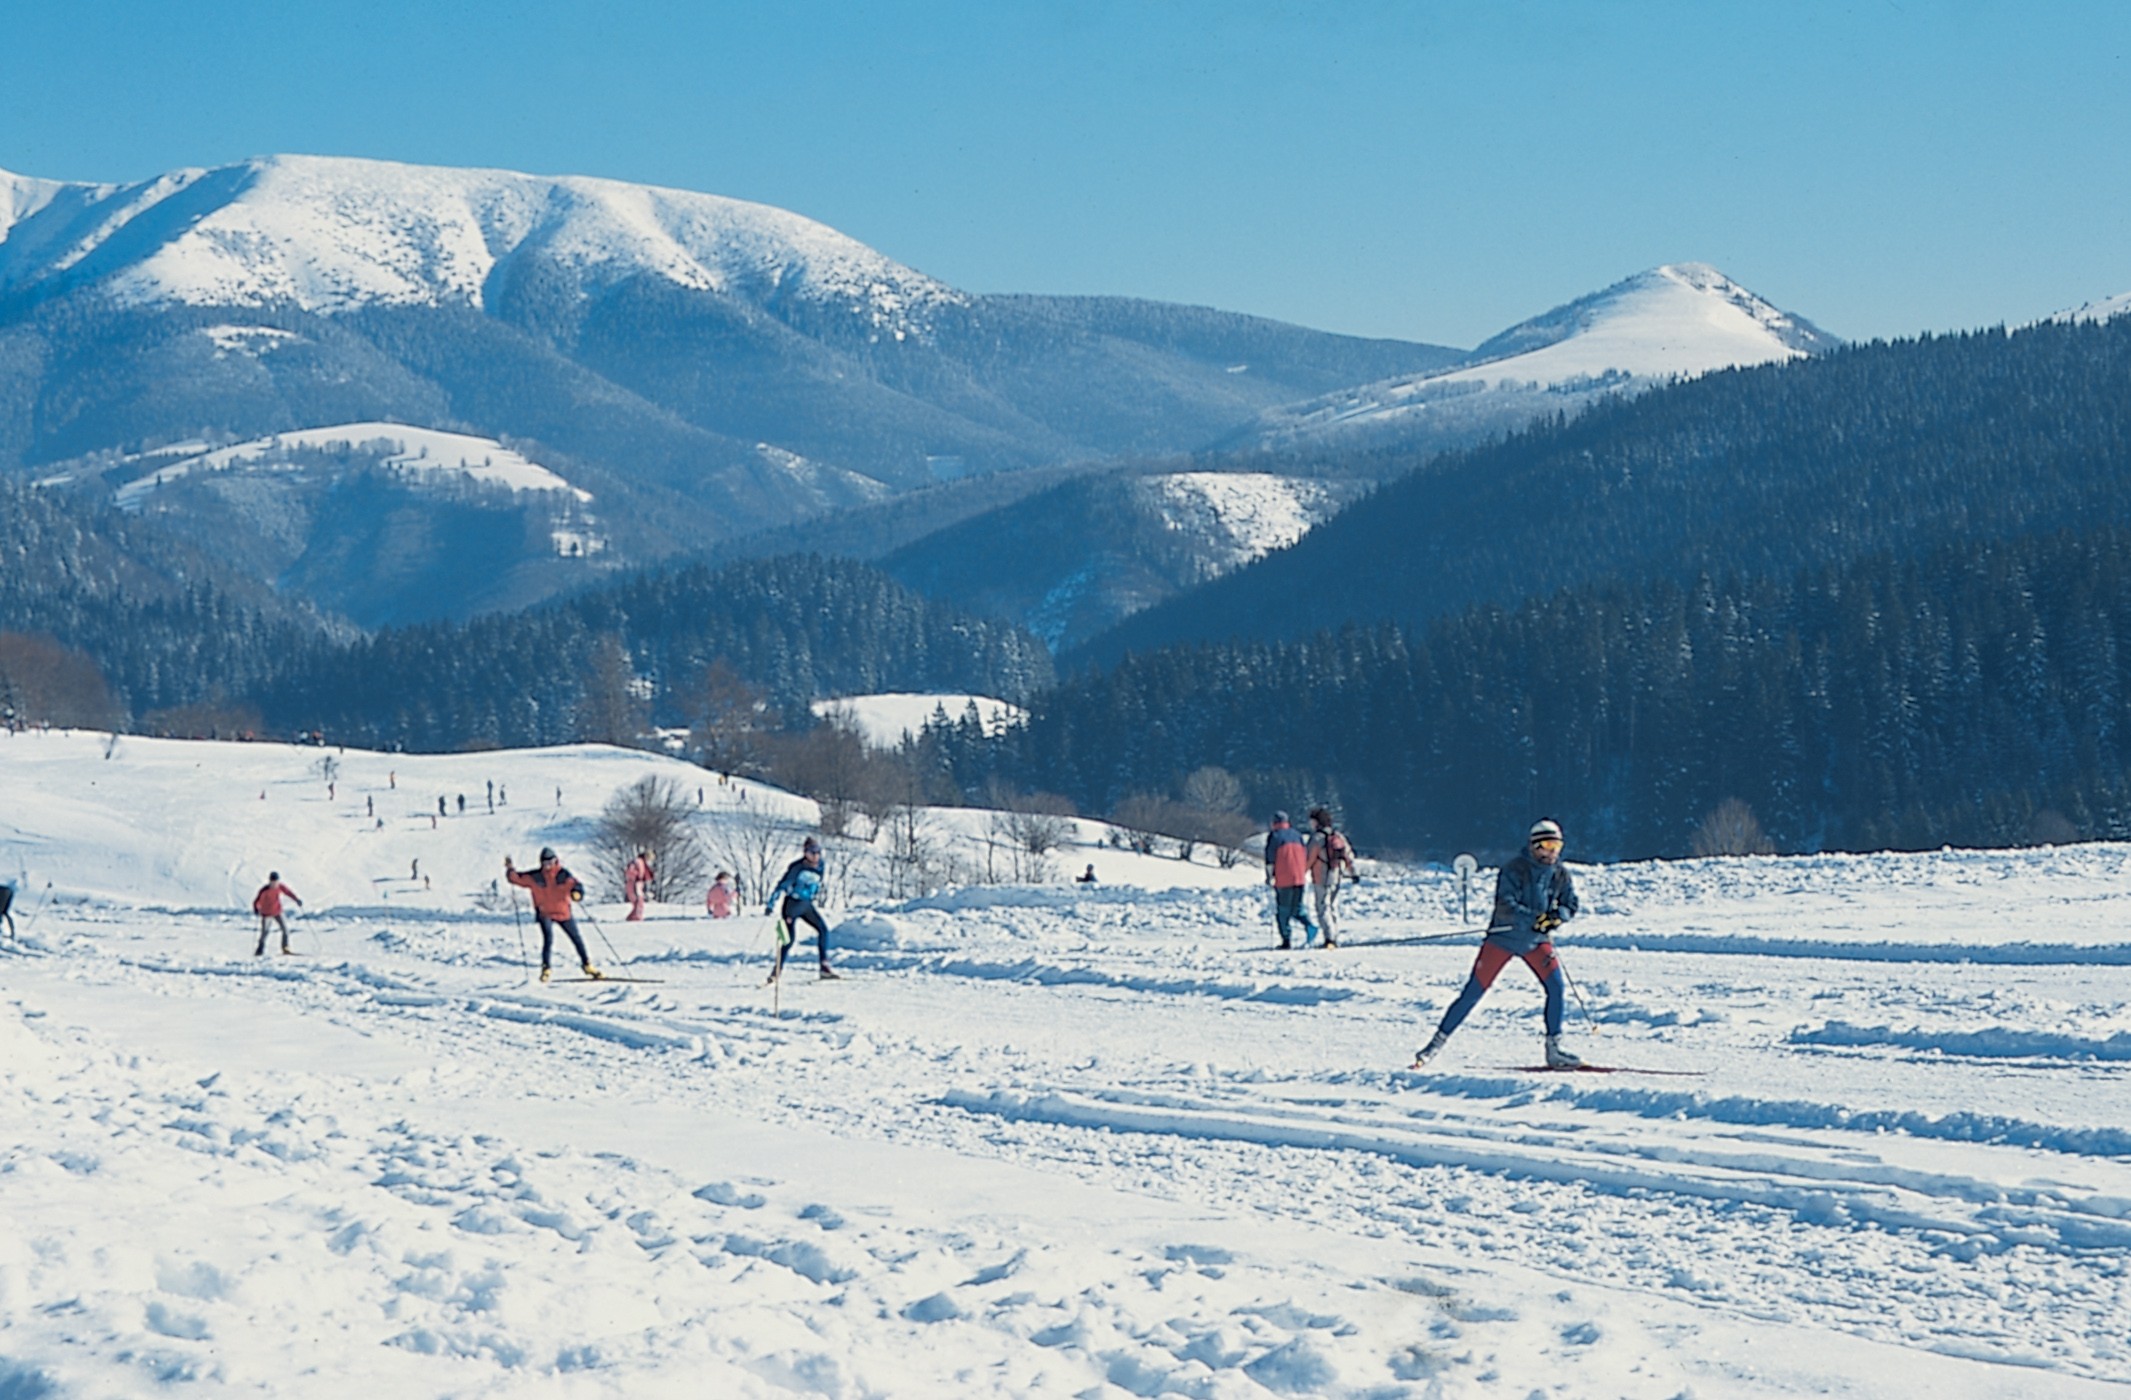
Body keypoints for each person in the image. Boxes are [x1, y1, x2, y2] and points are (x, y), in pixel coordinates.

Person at [1413, 819, 1583, 1069]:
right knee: (1473, 993)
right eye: (1547, 845)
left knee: (1556, 988)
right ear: (1535, 846)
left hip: (1536, 941)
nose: (1552, 851)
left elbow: (1571, 903)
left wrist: (1556, 918)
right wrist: (1536, 919)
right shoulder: (1514, 869)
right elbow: (1506, 904)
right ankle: (1432, 1047)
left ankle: (1554, 1049)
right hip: (1503, 939)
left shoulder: (1559, 873)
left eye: (1557, 845)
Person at [505, 847, 601, 982]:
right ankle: (546, 969)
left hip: (563, 912)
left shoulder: (563, 875)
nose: (548, 866)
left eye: (550, 862)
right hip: (545, 913)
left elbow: (576, 885)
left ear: (556, 861)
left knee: (577, 939)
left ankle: (587, 965)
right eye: (545, 863)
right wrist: (510, 869)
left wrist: (577, 894)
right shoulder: (536, 876)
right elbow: (516, 879)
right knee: (548, 939)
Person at [766, 837, 837, 981]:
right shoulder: (797, 867)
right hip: (792, 905)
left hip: (806, 905)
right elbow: (782, 885)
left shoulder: (821, 866)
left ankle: (824, 967)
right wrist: (771, 904)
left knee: (823, 929)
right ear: (805, 853)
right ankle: (776, 972)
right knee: (789, 940)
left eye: (818, 852)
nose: (816, 855)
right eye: (812, 852)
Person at [1306, 807, 1360, 948]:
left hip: (1320, 877)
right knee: (1333, 906)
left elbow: (1308, 859)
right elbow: (1348, 856)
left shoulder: (1316, 839)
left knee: (1322, 907)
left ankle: (1329, 938)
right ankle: (1334, 935)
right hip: (1336, 875)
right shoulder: (1338, 836)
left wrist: (1300, 873)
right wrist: (1353, 873)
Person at [1264, 811, 1318, 949]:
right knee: (1297, 909)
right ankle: (1310, 926)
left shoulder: (1274, 836)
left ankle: (1286, 941)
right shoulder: (1297, 835)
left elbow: (1270, 860)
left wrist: (1270, 877)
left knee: (1283, 912)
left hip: (1283, 879)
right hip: (1299, 878)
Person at [251, 872, 303, 956]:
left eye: (276, 881)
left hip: (277, 912)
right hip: (266, 914)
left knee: (285, 929)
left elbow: (288, 892)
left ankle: (285, 948)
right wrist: (256, 909)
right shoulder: (264, 891)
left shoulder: (280, 887)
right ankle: (260, 949)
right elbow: (256, 901)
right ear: (270, 881)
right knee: (265, 932)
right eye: (273, 881)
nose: (275, 883)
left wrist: (296, 900)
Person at [624, 849, 654, 921]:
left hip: (637, 884)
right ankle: (636, 917)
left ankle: (632, 917)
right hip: (634, 884)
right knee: (638, 901)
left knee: (639, 902)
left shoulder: (642, 863)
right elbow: (630, 871)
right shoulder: (638, 862)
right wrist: (636, 877)